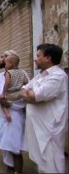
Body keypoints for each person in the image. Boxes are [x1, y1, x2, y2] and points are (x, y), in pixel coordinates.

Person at [20, 43, 68, 173]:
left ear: (48, 58)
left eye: (38, 56)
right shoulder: (40, 76)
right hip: (39, 129)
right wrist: (28, 94)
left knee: (52, 166)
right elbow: (23, 90)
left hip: (49, 130)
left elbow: (34, 95)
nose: (35, 59)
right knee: (42, 165)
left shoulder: (57, 76)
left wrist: (30, 95)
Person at [0, 50, 29, 173]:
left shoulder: (21, 73)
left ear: (10, 61)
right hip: (3, 113)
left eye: (2, 57)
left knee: (14, 146)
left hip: (15, 114)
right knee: (2, 140)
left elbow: (25, 90)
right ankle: (9, 166)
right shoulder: (0, 76)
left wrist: (7, 101)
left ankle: (16, 169)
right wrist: (2, 100)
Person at [0, 54, 28, 122]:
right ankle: (24, 110)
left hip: (11, 95)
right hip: (19, 93)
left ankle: (7, 114)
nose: (5, 66)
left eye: (6, 64)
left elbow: (7, 83)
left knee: (0, 99)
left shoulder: (8, 72)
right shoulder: (22, 72)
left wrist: (3, 93)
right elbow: (26, 81)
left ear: (11, 63)